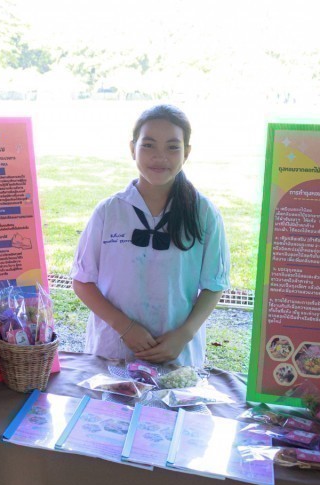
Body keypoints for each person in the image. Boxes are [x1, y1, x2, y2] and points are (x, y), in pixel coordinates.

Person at [71, 104, 229, 368]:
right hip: (113, 350)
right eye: (148, 145)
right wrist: (125, 327)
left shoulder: (203, 213)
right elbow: (82, 281)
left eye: (172, 147)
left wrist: (184, 335)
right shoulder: (109, 211)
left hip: (176, 354)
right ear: (132, 148)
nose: (159, 156)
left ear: (187, 152)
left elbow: (214, 284)